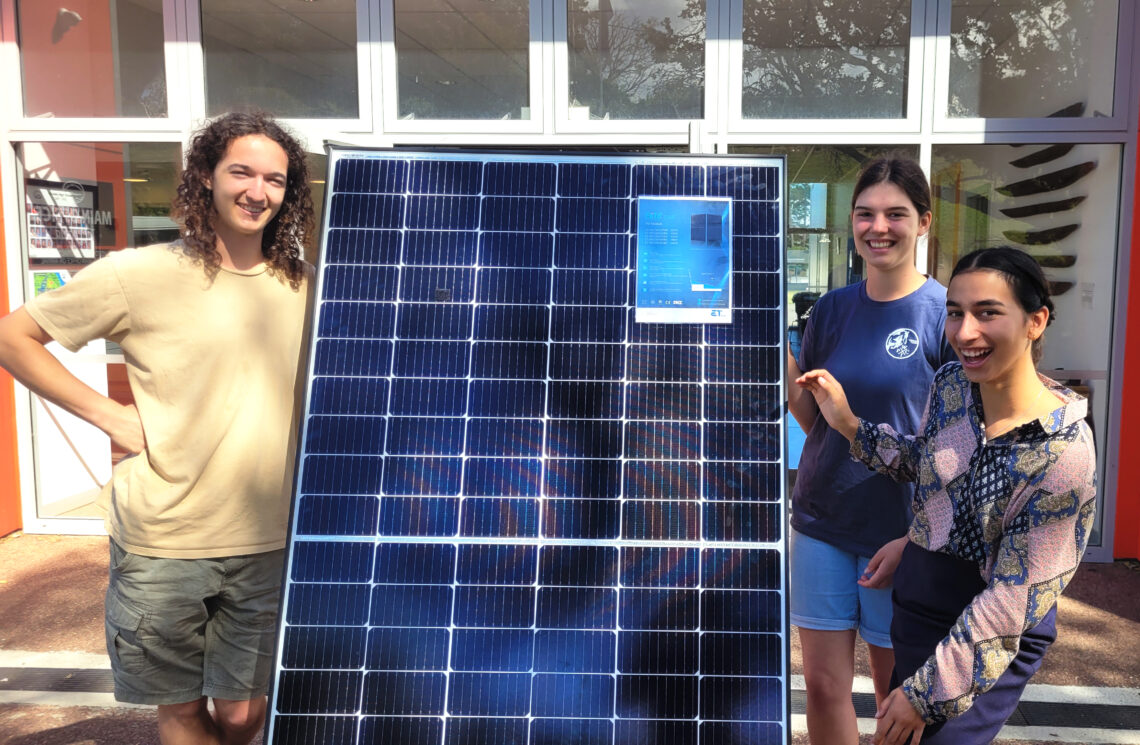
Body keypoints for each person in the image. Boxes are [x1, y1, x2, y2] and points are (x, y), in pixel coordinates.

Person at [0, 112, 315, 745]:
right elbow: (15, 336)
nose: (258, 191)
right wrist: (107, 413)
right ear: (204, 178)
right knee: (177, 709)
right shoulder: (137, 274)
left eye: (275, 180)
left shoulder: (303, 285)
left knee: (244, 713)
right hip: (164, 539)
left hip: (269, 538)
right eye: (241, 172)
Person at [796, 246, 1096, 745]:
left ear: (1035, 321)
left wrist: (923, 696)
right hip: (919, 605)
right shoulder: (953, 383)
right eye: (955, 312)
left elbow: (1010, 602)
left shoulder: (1063, 454)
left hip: (990, 628)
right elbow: (931, 466)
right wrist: (848, 425)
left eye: (988, 313)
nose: (964, 332)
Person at [786, 155, 957, 745]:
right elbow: (815, 424)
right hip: (821, 520)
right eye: (865, 214)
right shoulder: (832, 310)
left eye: (895, 214)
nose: (878, 227)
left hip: (904, 534)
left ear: (924, 222)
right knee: (824, 688)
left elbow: (962, 448)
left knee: (897, 693)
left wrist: (914, 537)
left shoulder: (946, 317)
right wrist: (782, 363)